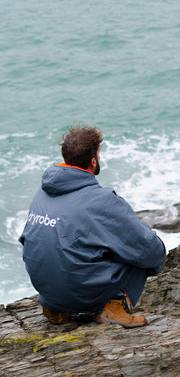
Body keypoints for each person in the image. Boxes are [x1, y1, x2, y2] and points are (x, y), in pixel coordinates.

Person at [19, 125, 166, 328]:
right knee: (140, 249)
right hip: (79, 293)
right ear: (94, 160)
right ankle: (113, 307)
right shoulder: (101, 199)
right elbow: (150, 250)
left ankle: (55, 308)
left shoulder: (42, 193)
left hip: (47, 291)